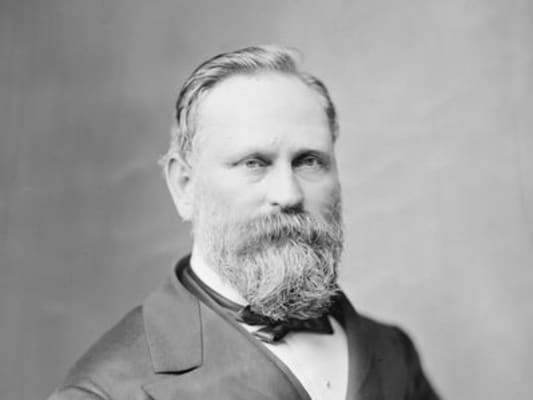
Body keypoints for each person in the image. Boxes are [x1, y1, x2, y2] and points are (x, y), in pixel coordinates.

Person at [48, 45, 440, 400]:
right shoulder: (106, 390)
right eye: (254, 163)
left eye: (309, 161)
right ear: (184, 186)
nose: (289, 194)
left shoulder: (391, 351)